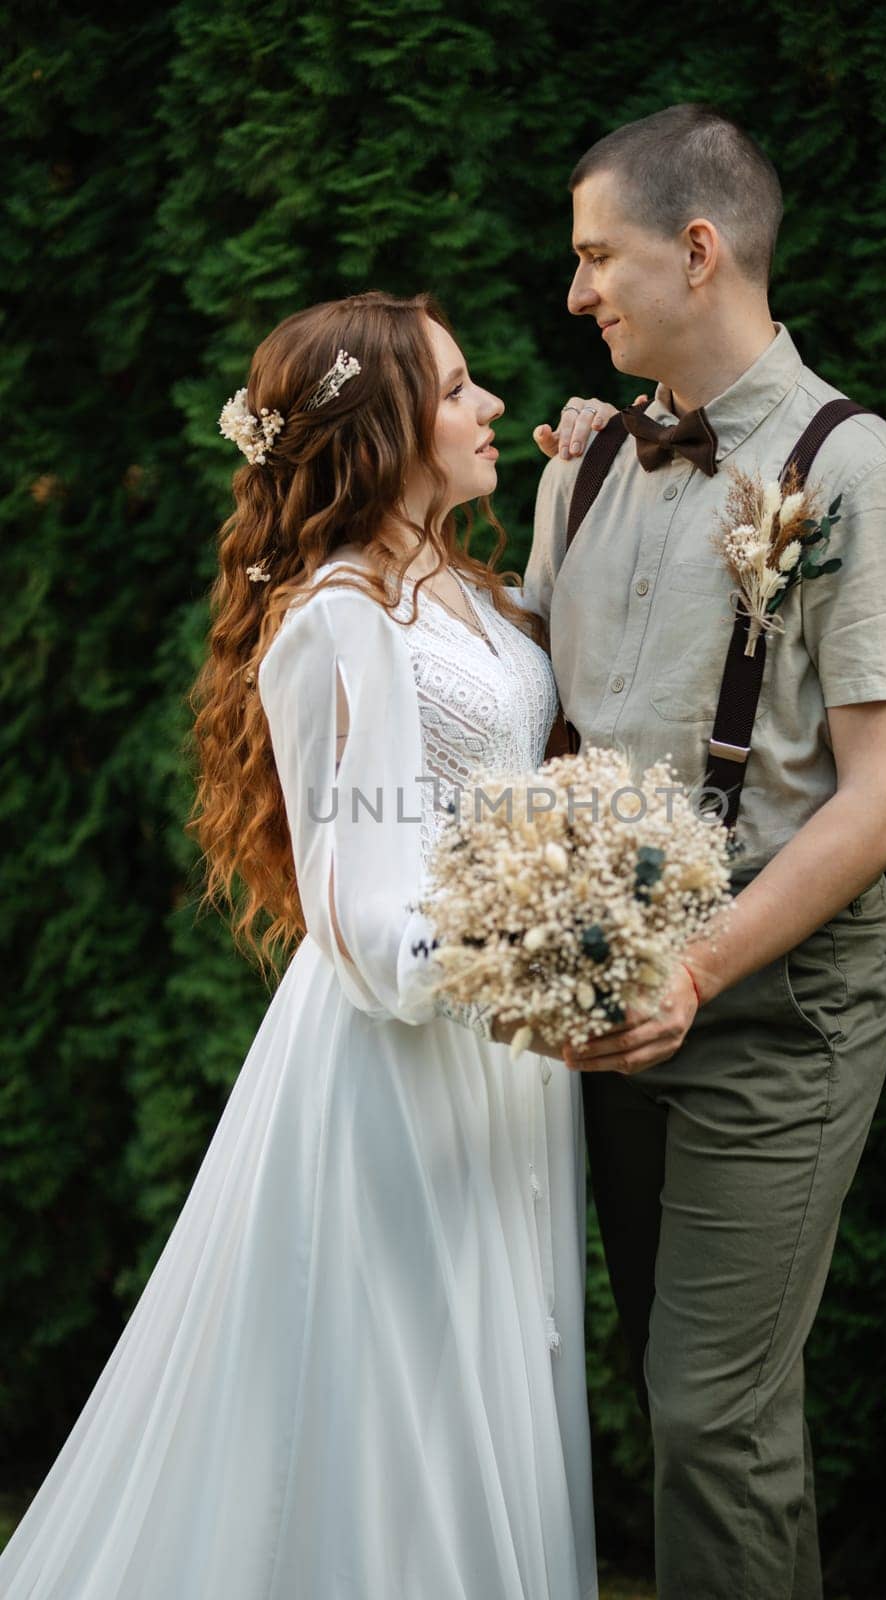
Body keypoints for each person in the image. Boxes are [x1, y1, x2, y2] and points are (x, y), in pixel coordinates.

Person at [0, 290, 608, 1600]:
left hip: (500, 1063)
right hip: (406, 1058)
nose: (492, 403)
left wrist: (573, 498)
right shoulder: (338, 617)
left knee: (498, 1383)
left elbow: (523, 713)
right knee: (407, 1418)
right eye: (457, 389)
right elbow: (353, 904)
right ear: (382, 430)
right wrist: (522, 961)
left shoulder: (459, 587)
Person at [525, 104, 886, 1599]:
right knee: (672, 1400)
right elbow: (540, 719)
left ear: (697, 249)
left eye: (598, 256)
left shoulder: (863, 478)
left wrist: (698, 968)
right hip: (616, 1002)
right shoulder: (579, 465)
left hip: (775, 1007)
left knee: (714, 1417)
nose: (577, 290)